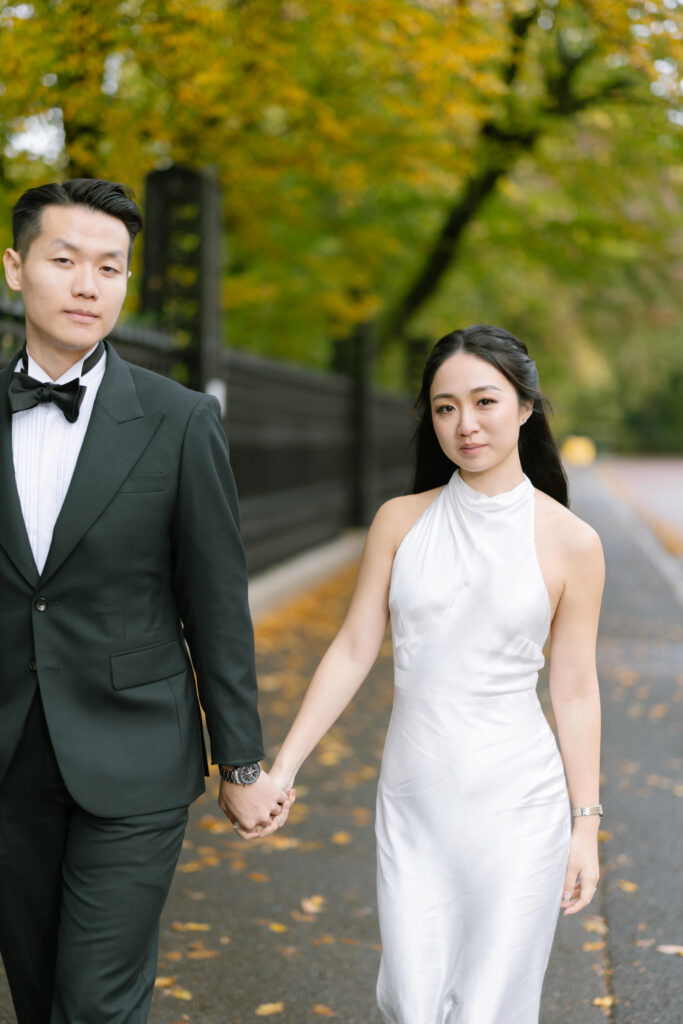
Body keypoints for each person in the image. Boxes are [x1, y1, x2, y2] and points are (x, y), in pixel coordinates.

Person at [0, 178, 289, 1024]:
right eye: (64, 261)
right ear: (16, 269)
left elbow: (217, 605)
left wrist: (239, 762)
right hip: (10, 752)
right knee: (38, 991)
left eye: (110, 268)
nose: (88, 285)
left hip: (135, 757)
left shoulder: (181, 420)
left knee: (95, 1001)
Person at [262, 325, 604, 1024]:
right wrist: (283, 769)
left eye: (484, 401)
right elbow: (355, 647)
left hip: (519, 801)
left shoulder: (571, 541)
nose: (465, 424)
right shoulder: (399, 522)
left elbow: (573, 688)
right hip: (415, 797)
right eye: (445, 408)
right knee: (408, 1000)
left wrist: (584, 826)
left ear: (526, 407)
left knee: (486, 1005)